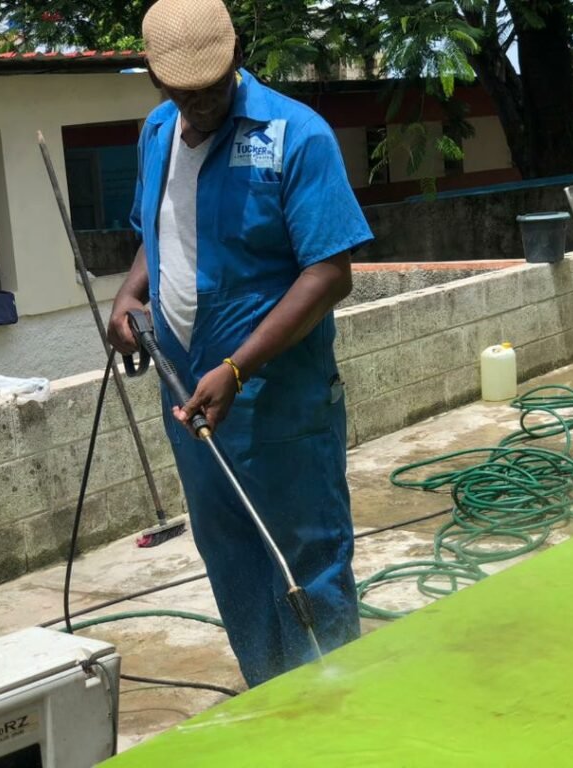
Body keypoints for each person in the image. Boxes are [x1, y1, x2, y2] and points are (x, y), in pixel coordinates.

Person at [107, 0, 373, 686]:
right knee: (234, 562)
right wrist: (129, 294)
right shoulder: (157, 133)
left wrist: (238, 365)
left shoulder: (297, 135)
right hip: (191, 399)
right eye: (182, 93)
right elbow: (158, 230)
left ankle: (336, 723)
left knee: (306, 565)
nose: (199, 105)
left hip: (277, 402)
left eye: (213, 87)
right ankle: (271, 709)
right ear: (156, 84)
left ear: (237, 57)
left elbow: (330, 272)